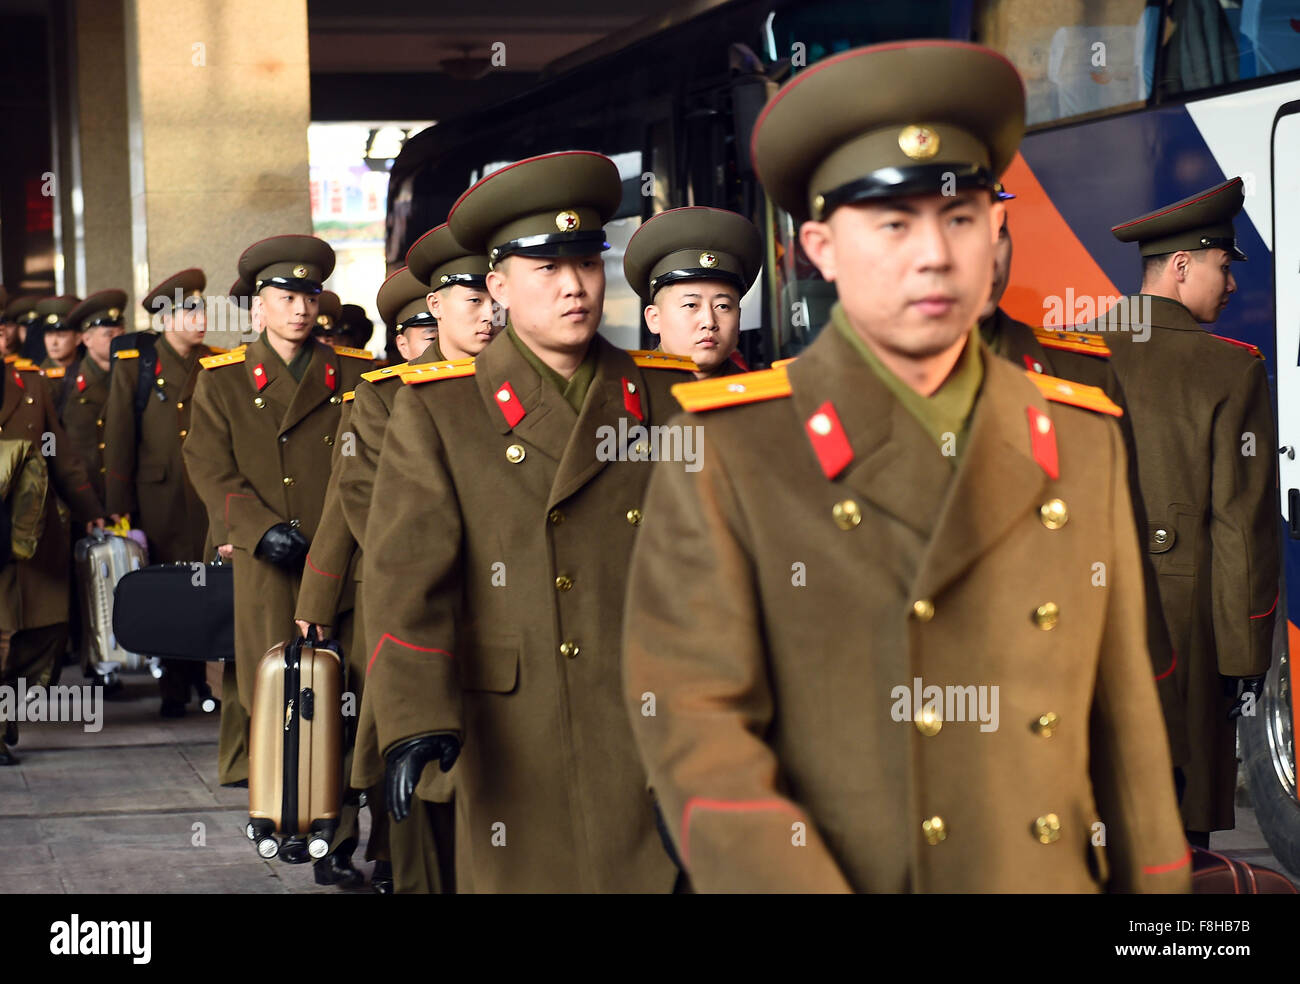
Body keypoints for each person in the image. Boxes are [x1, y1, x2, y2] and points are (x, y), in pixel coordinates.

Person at [621, 40, 1191, 893]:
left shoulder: (1079, 436)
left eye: (959, 219)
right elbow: (700, 733)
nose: (934, 255)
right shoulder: (733, 450)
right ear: (820, 247)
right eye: (893, 223)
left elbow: (1127, 730)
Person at [363, 151, 696, 893]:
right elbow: (405, 574)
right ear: (498, 286)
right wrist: (415, 715)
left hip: (656, 721)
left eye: (585, 261)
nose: (574, 286)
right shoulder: (441, 410)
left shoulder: (671, 397)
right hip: (517, 727)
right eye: (547, 269)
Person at [1089, 176, 1279, 846]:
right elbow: (1241, 527)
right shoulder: (1232, 369)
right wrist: (1245, 659)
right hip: (1185, 636)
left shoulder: (1069, 350)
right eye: (1223, 267)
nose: (1230, 286)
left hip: (1082, 627)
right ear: (1180, 267)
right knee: (1177, 851)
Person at [183, 235, 372, 884]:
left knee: (340, 697)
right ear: (257, 306)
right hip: (267, 567)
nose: (300, 308)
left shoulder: (354, 372)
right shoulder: (224, 380)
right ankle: (282, 815)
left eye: (309, 295)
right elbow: (209, 467)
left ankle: (336, 836)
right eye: (285, 296)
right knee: (280, 700)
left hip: (340, 563)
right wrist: (257, 527)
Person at [979, 211, 1188, 772]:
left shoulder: (1082, 377)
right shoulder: (823, 407)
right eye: (951, 222)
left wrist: (1153, 744)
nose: (980, 251)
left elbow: (1126, 571)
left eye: (996, 227)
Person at [293, 262, 459, 894]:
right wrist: (319, 597)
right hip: (380, 590)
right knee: (365, 722)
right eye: (417, 329)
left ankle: (393, 855)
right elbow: (347, 503)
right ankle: (347, 843)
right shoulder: (383, 395)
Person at [102, 269, 215, 717]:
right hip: (159, 501)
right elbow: (119, 439)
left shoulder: (217, 361)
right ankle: (173, 685)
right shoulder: (137, 365)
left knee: (209, 590)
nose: (200, 316)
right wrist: (119, 511)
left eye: (203, 307)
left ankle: (208, 683)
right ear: (167, 318)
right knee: (170, 593)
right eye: (191, 309)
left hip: (205, 503)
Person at [0, 353, 106, 764]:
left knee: (48, 629)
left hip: (33, 531)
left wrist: (90, 508)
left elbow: (59, 453)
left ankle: (8, 712)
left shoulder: (30, 383)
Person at [623, 206, 761, 379]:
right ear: (654, 318)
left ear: (739, 319)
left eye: (723, 306)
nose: (709, 322)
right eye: (691, 305)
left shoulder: (762, 399)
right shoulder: (619, 396)